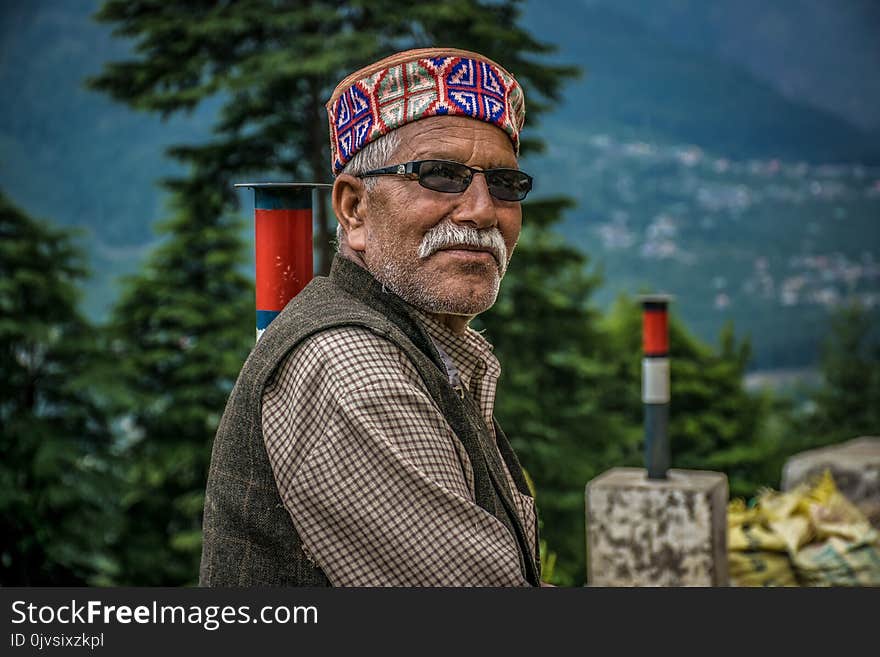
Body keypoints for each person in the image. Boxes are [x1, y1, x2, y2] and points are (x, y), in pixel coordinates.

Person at [199, 47, 541, 586]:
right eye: (440, 175)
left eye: (504, 184)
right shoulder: (354, 367)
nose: (481, 209)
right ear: (355, 209)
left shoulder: (426, 349)